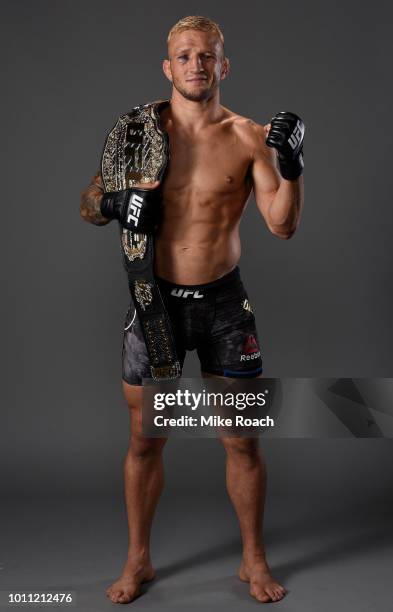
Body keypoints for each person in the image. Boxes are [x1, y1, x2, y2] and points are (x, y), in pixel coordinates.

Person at [80, 15, 304, 604]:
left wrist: (295, 170)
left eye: (207, 56)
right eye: (184, 56)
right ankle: (139, 561)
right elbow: (88, 204)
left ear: (223, 65)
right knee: (145, 440)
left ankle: (253, 562)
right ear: (168, 66)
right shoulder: (138, 133)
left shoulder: (248, 136)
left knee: (243, 441)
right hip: (154, 304)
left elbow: (281, 225)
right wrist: (115, 200)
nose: (196, 65)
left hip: (225, 304)